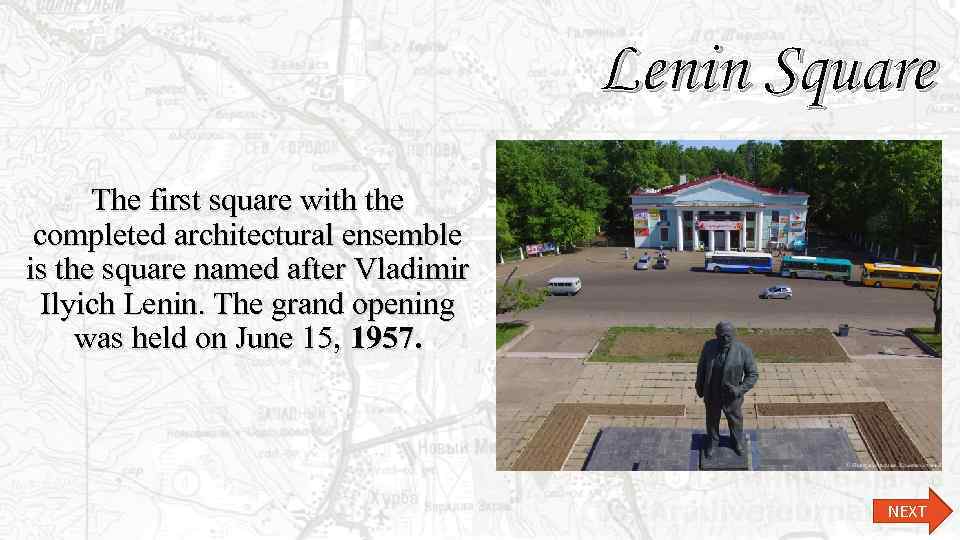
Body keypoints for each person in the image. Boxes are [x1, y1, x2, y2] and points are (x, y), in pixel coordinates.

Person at [695, 321, 759, 458]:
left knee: (735, 420)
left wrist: (740, 389)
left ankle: (736, 442)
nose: (725, 339)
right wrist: (699, 386)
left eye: (728, 336)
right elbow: (701, 368)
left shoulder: (744, 351)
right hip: (712, 392)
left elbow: (753, 374)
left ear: (734, 335)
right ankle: (713, 441)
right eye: (722, 336)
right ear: (716, 335)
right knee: (712, 420)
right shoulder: (708, 346)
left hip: (732, 395)